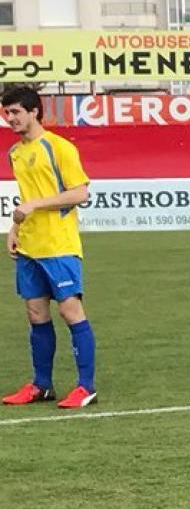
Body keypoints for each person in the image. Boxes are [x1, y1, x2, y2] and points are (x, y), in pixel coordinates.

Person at [0, 86, 97, 409]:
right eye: (6, 112)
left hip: (59, 245)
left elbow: (80, 193)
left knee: (70, 311)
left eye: (15, 112)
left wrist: (35, 206)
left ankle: (86, 387)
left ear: (34, 111)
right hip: (29, 246)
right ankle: (42, 385)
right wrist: (14, 227)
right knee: (36, 314)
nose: (9, 118)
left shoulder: (59, 148)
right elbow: (28, 199)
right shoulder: (15, 153)